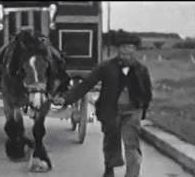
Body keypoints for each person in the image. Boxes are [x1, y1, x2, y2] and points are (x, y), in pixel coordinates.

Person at [52, 33, 152, 177]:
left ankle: (132, 174)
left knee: (132, 144)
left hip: (132, 111)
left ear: (135, 50)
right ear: (117, 49)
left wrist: (143, 110)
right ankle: (109, 167)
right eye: (123, 47)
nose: (126, 51)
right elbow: (86, 84)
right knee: (111, 141)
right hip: (110, 111)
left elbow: (147, 92)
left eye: (130, 47)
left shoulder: (141, 69)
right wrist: (66, 99)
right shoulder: (106, 67)